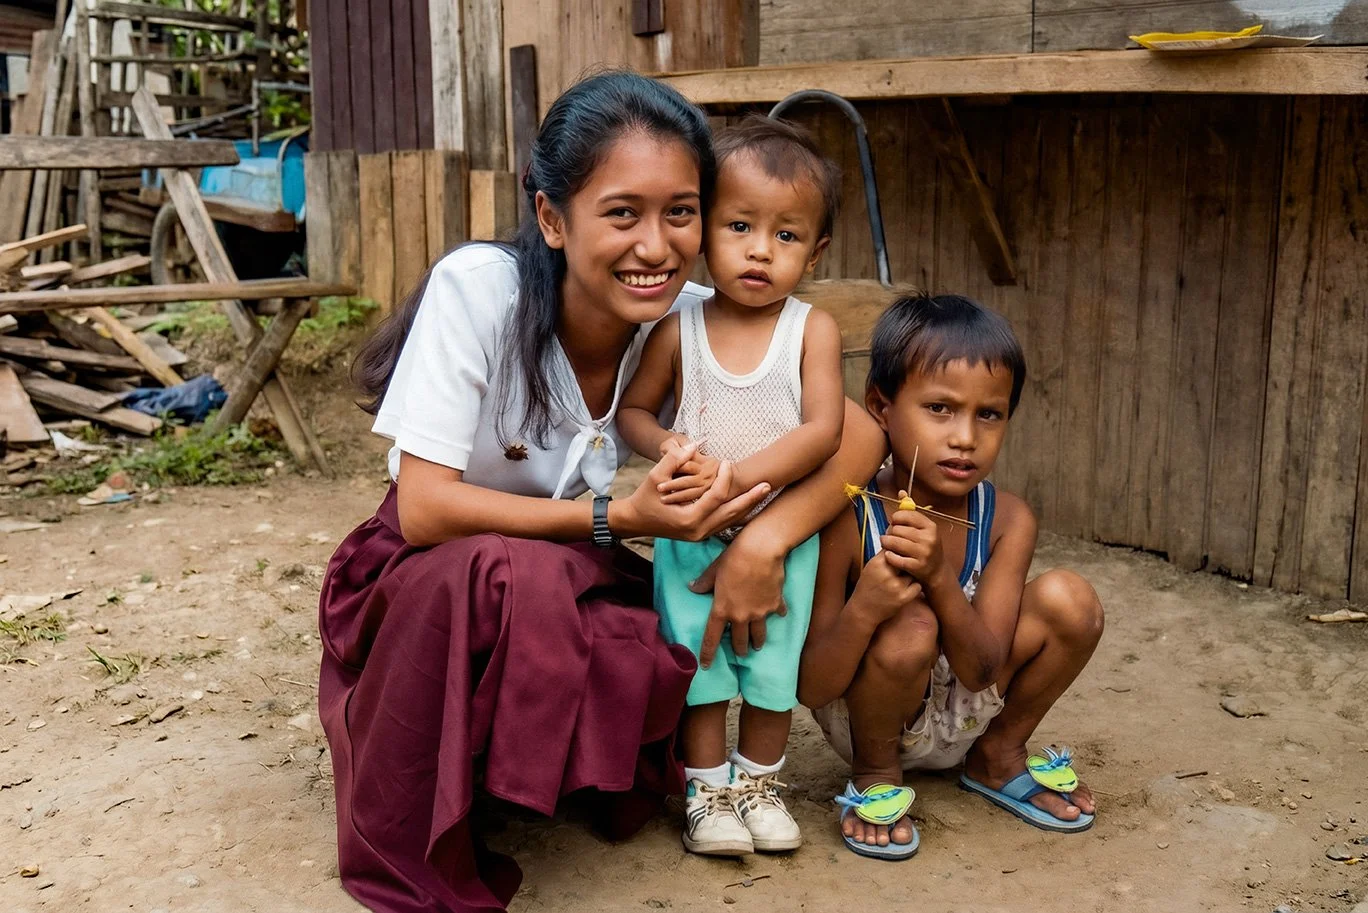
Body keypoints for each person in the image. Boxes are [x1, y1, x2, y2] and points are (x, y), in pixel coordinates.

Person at [318, 71, 885, 913]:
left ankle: (534, 773)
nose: (654, 246)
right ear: (552, 216)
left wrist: (765, 541)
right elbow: (424, 509)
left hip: (568, 565)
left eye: (681, 213)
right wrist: (621, 514)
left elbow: (862, 438)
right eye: (622, 213)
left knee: (640, 625)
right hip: (425, 579)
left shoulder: (690, 313)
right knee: (511, 576)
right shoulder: (479, 289)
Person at [798, 294, 1104, 861]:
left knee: (1073, 601)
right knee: (909, 623)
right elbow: (811, 687)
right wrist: (866, 607)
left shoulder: (1006, 519)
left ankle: (998, 756)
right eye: (940, 408)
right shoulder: (849, 513)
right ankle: (875, 775)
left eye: (988, 414)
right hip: (868, 718)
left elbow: (983, 668)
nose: (965, 436)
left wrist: (940, 577)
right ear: (881, 407)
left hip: (969, 705)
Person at [617, 116, 844, 857]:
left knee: (772, 665)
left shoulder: (812, 331)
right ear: (705, 229)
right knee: (701, 665)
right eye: (740, 225)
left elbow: (823, 432)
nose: (759, 250)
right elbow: (634, 413)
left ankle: (761, 785)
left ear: (817, 250)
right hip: (688, 532)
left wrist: (737, 479)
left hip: (785, 538)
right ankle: (708, 792)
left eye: (786, 235)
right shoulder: (677, 328)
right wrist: (668, 444)